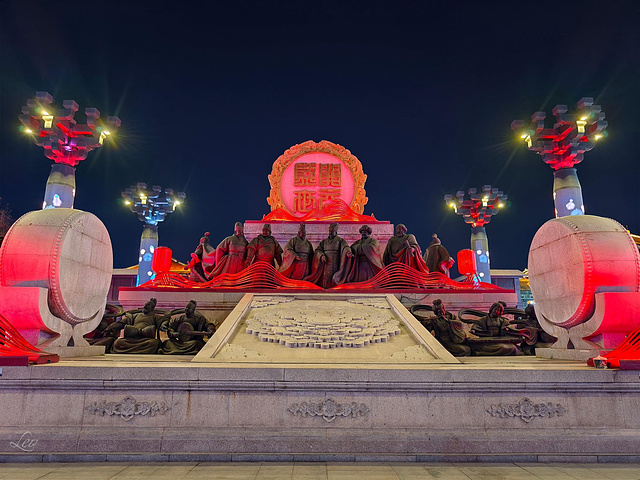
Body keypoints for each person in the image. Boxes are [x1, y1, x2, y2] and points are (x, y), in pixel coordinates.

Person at [304, 222, 352, 288]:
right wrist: (321, 256)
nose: (330, 233)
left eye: (332, 231)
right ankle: (325, 287)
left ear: (335, 232)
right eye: (330, 231)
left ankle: (334, 288)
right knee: (325, 276)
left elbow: (345, 247)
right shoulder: (324, 241)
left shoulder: (340, 240)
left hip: (335, 261)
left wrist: (348, 252)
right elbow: (318, 250)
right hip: (326, 262)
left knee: (334, 277)